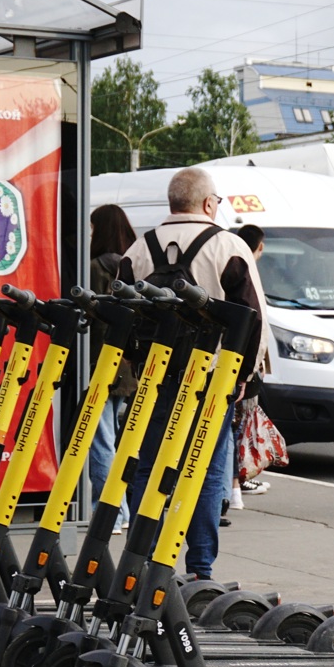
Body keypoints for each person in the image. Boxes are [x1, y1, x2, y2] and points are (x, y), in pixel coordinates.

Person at [120, 168, 269, 581]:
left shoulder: (138, 249)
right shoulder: (228, 247)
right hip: (211, 378)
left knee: (148, 466)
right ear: (208, 203)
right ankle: (200, 569)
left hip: (155, 376)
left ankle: (141, 559)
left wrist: (136, 362)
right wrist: (245, 376)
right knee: (204, 472)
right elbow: (254, 318)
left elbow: (123, 316)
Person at [88, 203, 137, 534]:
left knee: (101, 441)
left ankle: (112, 513)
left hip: (102, 363)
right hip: (129, 368)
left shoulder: (93, 267)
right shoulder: (133, 266)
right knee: (115, 441)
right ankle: (121, 509)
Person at [229, 224, 270, 510]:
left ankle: (234, 485)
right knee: (237, 428)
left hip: (228, 362)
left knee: (233, 428)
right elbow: (258, 322)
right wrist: (252, 369)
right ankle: (234, 486)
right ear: (259, 247)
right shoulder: (248, 273)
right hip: (242, 366)